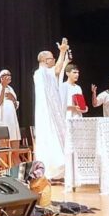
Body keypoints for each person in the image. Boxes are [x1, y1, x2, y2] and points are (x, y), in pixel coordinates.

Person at [34, 39, 71, 180]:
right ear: (44, 60)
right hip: (46, 114)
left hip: (53, 112)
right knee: (49, 138)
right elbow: (57, 69)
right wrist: (62, 53)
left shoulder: (47, 72)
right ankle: (49, 169)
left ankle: (58, 170)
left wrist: (62, 53)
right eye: (51, 58)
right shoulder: (40, 73)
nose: (54, 60)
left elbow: (57, 69)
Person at [0, 70, 21, 145]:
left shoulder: (11, 89)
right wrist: (3, 87)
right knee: (4, 148)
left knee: (15, 146)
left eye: (9, 74)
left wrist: (13, 99)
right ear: (1, 78)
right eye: (6, 75)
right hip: (3, 121)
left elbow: (15, 106)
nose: (9, 76)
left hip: (13, 121)